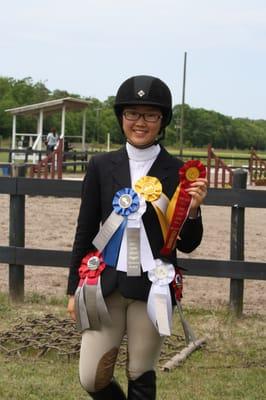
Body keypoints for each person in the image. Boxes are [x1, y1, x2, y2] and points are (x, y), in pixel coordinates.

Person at [67, 75, 208, 399]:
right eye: (132, 113)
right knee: (92, 377)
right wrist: (73, 289)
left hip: (153, 287)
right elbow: (85, 231)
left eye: (150, 115)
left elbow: (187, 243)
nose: (140, 122)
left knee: (140, 375)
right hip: (106, 286)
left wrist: (194, 211)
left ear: (162, 121)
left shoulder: (177, 171)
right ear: (121, 117)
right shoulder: (101, 166)